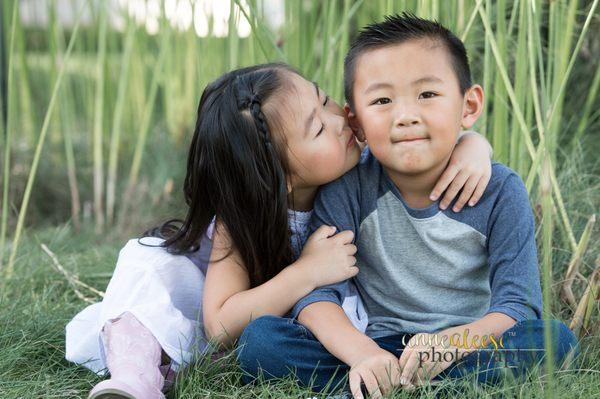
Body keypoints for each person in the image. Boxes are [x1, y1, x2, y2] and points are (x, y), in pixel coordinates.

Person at [65, 62, 493, 399]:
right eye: (319, 127)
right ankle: (133, 380)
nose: (339, 118)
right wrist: (306, 272)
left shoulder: (360, 166)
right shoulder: (243, 223)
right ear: (280, 178)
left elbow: (419, 142)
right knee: (144, 277)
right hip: (217, 306)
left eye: (324, 100)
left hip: (315, 320)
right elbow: (218, 322)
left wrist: (476, 147)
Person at [236, 14, 580, 399]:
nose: (406, 116)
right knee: (261, 341)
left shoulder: (501, 191)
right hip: (376, 346)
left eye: (427, 95)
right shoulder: (347, 189)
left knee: (552, 340)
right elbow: (318, 297)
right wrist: (364, 354)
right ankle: (383, 381)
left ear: (468, 106)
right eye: (382, 101)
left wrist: (451, 344)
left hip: (468, 347)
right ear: (357, 123)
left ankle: (404, 388)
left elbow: (518, 305)